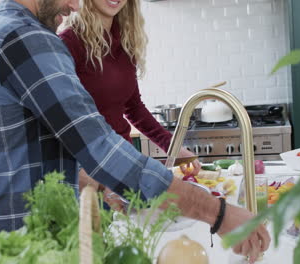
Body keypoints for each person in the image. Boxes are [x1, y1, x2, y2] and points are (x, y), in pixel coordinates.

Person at [0, 0, 270, 262]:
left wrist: (101, 183)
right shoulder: (26, 39)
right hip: (26, 247)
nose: (74, 5)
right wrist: (217, 213)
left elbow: (32, 154)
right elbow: (100, 150)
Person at [58, 0, 200, 201]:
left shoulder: (124, 41)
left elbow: (133, 107)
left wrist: (173, 146)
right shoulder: (68, 43)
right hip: (88, 173)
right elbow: (59, 119)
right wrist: (82, 173)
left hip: (123, 163)